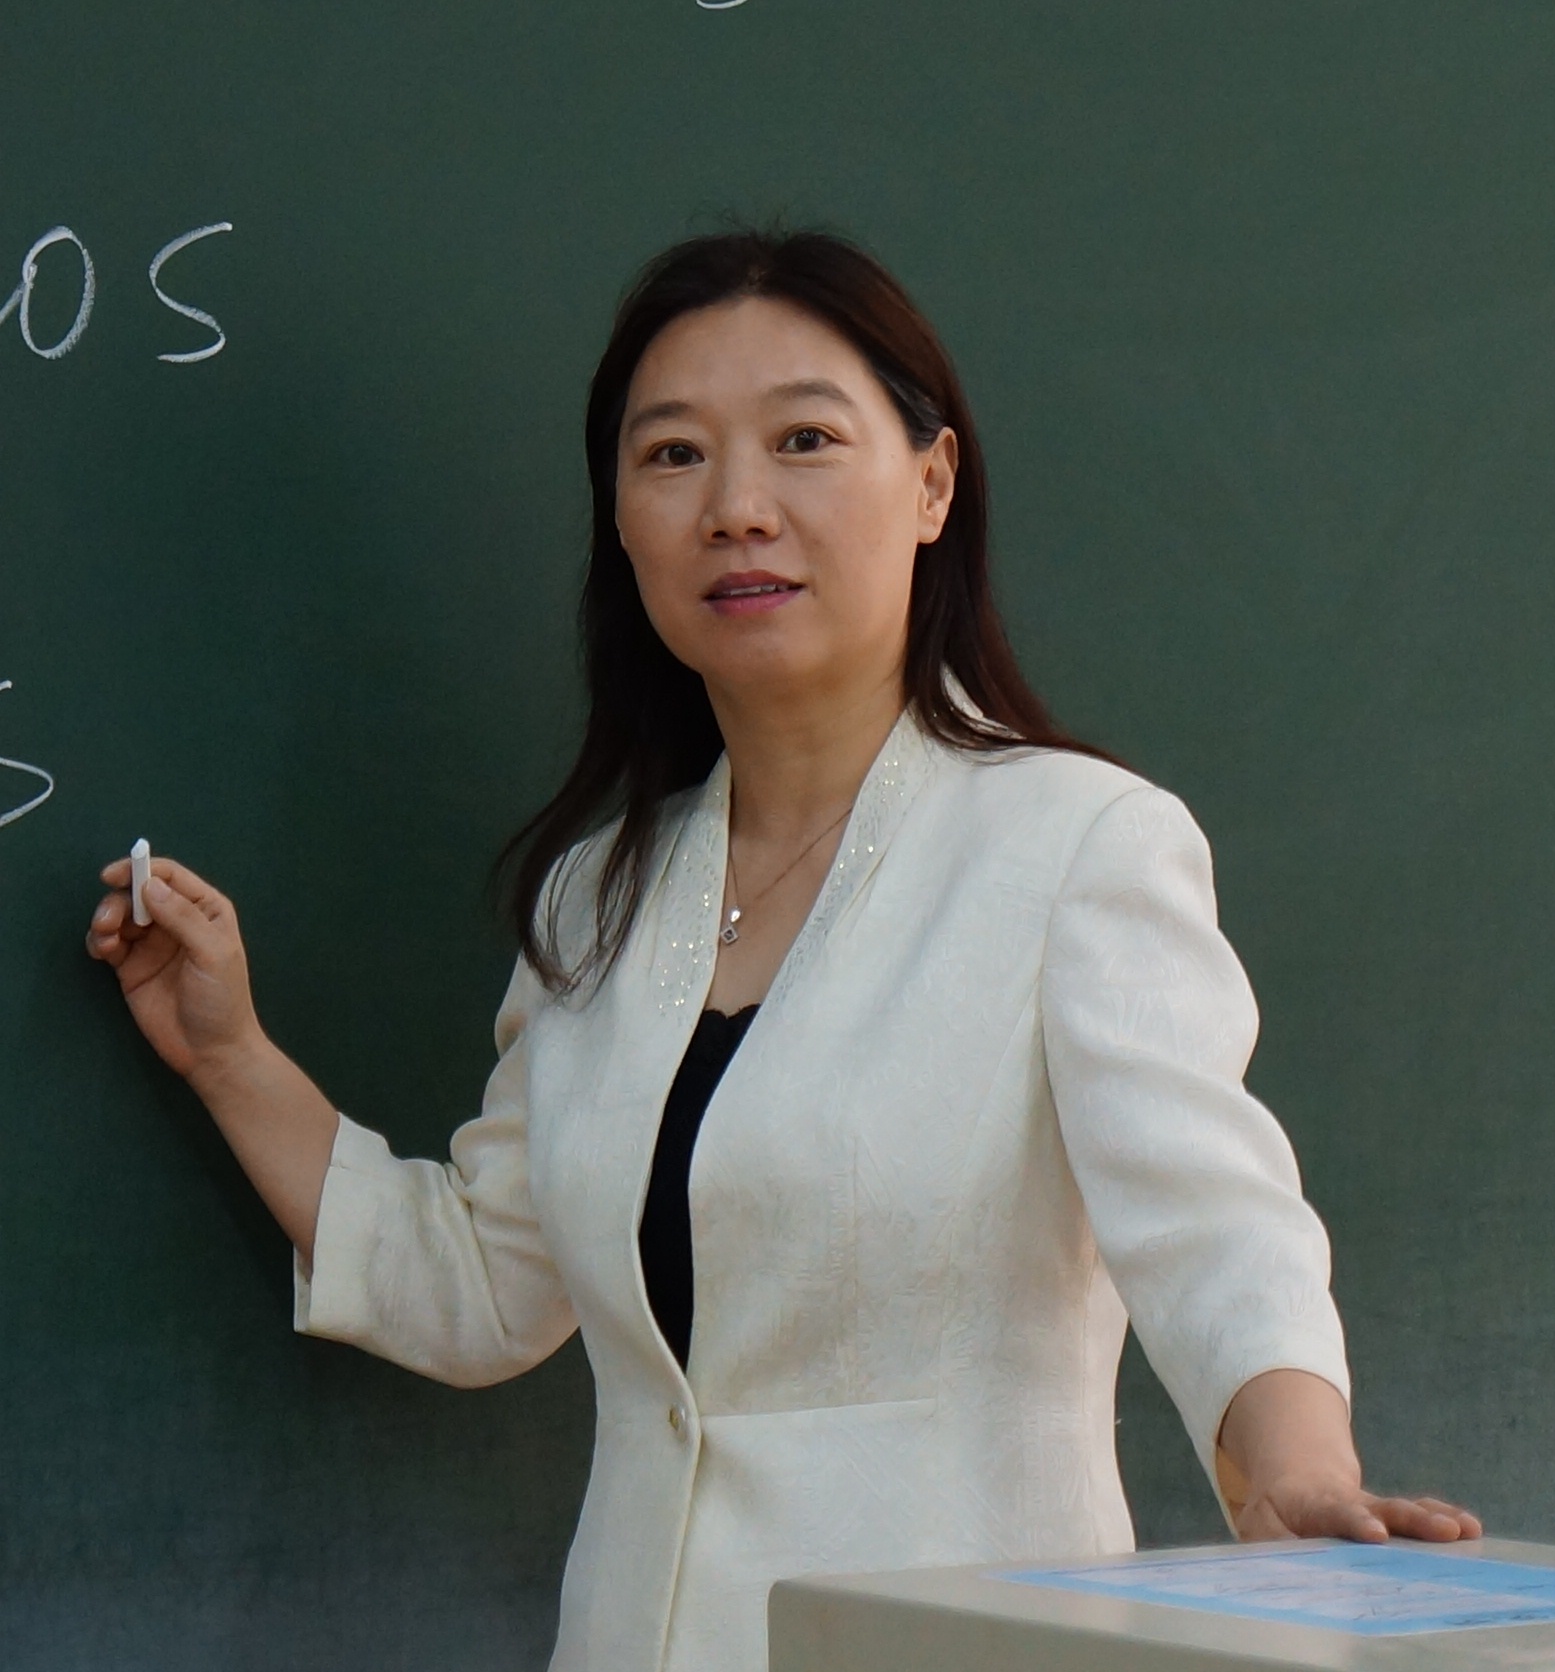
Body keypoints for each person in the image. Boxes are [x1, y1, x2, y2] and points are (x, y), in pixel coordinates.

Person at [86, 227, 1480, 1672]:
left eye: (805, 440)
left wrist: (1297, 1467)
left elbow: (1215, 1228)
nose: (737, 508)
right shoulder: (597, 900)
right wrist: (228, 1055)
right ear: (621, 521)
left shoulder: (1073, 845)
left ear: (932, 484)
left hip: (954, 1652)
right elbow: (483, 1289)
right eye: (672, 456)